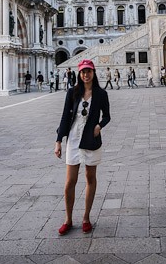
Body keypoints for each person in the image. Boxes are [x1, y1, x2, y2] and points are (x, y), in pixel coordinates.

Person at [54, 59, 111, 235]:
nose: (86, 74)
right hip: (73, 138)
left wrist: (99, 126)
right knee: (70, 181)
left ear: (94, 73)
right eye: (83, 72)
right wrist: (58, 141)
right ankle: (68, 219)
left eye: (89, 71)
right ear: (79, 74)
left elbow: (107, 116)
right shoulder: (72, 92)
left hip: (91, 139)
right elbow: (65, 117)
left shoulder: (101, 94)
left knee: (90, 178)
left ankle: (86, 217)